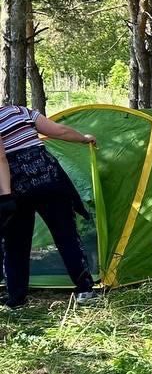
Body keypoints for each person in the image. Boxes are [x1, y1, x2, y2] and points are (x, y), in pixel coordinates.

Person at [0, 103, 99, 308]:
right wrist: (83, 138)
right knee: (66, 236)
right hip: (50, 179)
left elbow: (0, 158)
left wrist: (6, 195)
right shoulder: (19, 111)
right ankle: (85, 290)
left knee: (16, 244)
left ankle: (17, 300)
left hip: (16, 187)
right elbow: (59, 131)